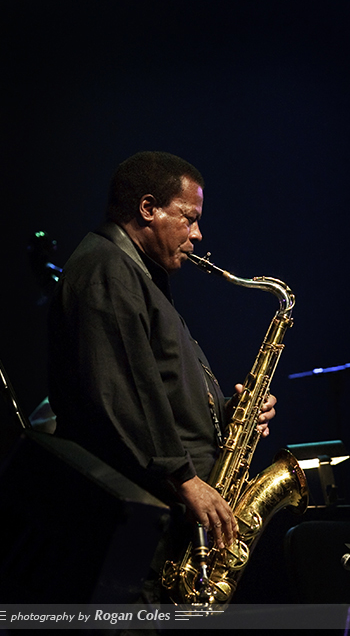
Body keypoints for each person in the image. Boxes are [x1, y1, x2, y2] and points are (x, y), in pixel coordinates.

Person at [47, 151, 276, 573]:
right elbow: (120, 399)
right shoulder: (108, 270)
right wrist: (186, 480)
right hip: (134, 526)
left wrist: (227, 414)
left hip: (159, 516)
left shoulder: (137, 275)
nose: (198, 234)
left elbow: (155, 387)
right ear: (147, 208)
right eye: (188, 218)